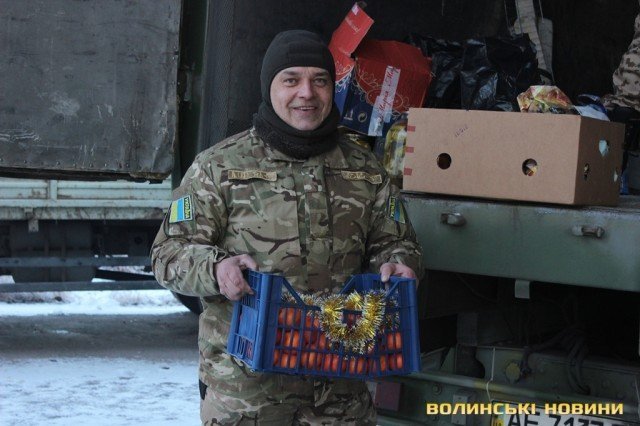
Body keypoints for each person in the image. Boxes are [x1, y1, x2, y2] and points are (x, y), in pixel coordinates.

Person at [151, 29, 422, 425]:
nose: (306, 93)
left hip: (340, 393)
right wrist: (217, 268)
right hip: (247, 396)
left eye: (319, 80)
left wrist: (399, 263)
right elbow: (167, 253)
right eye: (291, 80)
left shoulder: (365, 169)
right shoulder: (218, 166)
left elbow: (396, 243)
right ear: (269, 87)